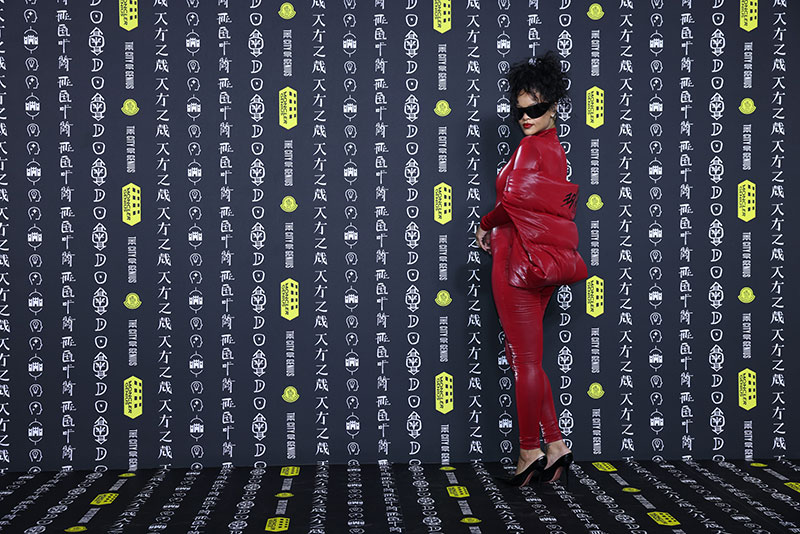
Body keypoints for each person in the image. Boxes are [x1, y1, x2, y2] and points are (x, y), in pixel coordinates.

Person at [475, 51, 586, 488]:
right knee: (526, 358)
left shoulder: (529, 149)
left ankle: (528, 450)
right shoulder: (556, 151)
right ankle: (555, 444)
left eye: (535, 109)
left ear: (553, 107)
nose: (526, 117)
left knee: (524, 361)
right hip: (541, 266)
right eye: (519, 110)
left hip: (516, 262)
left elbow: (513, 202)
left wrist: (485, 224)